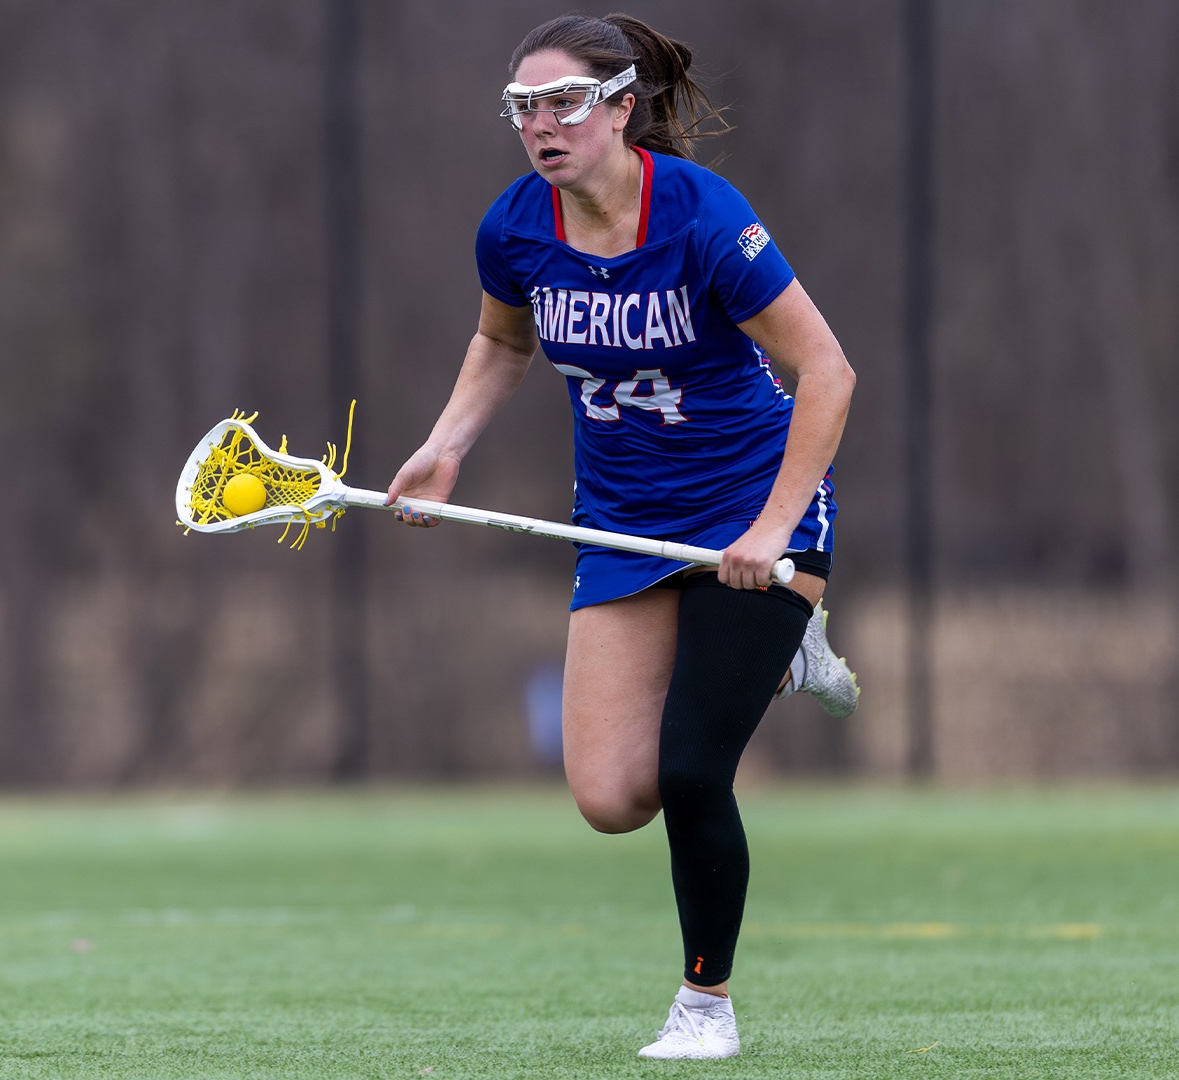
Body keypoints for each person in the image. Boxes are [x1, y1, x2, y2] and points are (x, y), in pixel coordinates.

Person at [384, 12, 858, 1061]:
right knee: (608, 798)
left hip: (755, 519)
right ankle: (776, 665)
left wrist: (773, 526)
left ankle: (706, 1007)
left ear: (620, 108)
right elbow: (500, 344)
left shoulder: (700, 217)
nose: (540, 126)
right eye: (522, 108)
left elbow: (829, 372)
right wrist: (444, 446)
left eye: (562, 104)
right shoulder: (515, 227)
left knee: (692, 773)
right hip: (622, 528)